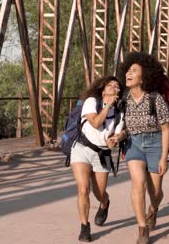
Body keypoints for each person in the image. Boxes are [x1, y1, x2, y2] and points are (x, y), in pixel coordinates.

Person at [116, 52, 169, 244]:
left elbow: (166, 129)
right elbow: (124, 127)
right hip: (134, 144)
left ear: (144, 76)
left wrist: (164, 157)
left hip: (156, 142)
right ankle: (142, 228)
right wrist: (118, 136)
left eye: (134, 71)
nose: (129, 74)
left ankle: (153, 209)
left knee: (155, 192)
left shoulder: (155, 99)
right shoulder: (124, 100)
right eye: (128, 70)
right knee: (138, 183)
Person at [70, 76, 127, 242]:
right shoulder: (91, 102)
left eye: (117, 87)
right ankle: (84, 227)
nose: (115, 88)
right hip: (82, 148)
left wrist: (115, 140)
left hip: (102, 154)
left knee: (99, 192)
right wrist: (107, 105)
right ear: (103, 89)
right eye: (111, 86)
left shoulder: (119, 112)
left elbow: (116, 136)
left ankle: (104, 203)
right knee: (83, 189)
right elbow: (95, 122)